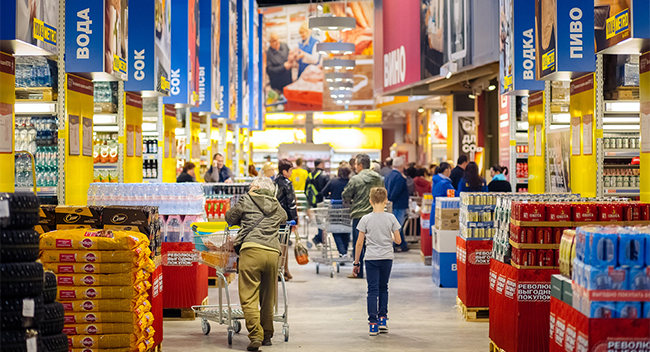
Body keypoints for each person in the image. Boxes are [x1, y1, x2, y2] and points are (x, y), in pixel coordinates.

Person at [225, 177, 287, 351]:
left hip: (251, 251)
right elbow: (284, 218)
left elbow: (229, 217)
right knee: (268, 297)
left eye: (251, 185)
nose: (249, 187)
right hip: (273, 253)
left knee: (249, 296)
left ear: (257, 187)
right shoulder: (276, 204)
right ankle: (267, 334)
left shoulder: (247, 199)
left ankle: (255, 336)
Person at [352, 187, 401, 336]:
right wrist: (390, 237)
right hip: (387, 258)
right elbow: (398, 240)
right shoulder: (391, 218)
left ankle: (372, 324)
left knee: (372, 290)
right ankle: (383, 320)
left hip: (371, 258)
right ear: (386, 200)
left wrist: (356, 263)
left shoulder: (365, 219)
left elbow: (359, 243)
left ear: (370, 201)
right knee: (383, 288)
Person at [342, 154, 383, 279]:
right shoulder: (378, 178)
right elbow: (382, 193)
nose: (355, 167)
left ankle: (358, 272)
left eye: (355, 165)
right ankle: (375, 272)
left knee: (359, 244)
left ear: (360, 165)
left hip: (359, 215)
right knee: (375, 244)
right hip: (375, 214)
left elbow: (346, 195)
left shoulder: (355, 179)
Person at [274, 159, 298, 281]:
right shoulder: (287, 183)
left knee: (279, 244)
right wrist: (295, 219)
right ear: (285, 171)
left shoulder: (274, 182)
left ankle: (285, 270)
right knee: (283, 245)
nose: (291, 172)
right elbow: (291, 203)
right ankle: (281, 271)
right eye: (290, 170)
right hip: (286, 218)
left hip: (275, 218)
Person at [321, 164, 352, 257]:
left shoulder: (333, 181)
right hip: (347, 209)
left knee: (335, 229)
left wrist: (331, 195)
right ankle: (345, 251)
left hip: (334, 209)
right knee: (346, 229)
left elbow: (323, 192)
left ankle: (342, 251)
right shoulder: (351, 182)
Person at [383, 157, 410, 252]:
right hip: (399, 204)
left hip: (392, 204)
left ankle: (402, 244)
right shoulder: (400, 177)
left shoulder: (388, 175)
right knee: (398, 225)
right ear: (401, 166)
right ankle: (394, 244)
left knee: (396, 224)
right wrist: (391, 199)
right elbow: (396, 191)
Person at [305, 159, 329, 245]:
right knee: (323, 221)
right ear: (321, 164)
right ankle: (319, 238)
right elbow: (327, 189)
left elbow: (305, 190)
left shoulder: (310, 175)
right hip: (322, 201)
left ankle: (319, 238)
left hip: (313, 201)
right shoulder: (324, 175)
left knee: (319, 220)